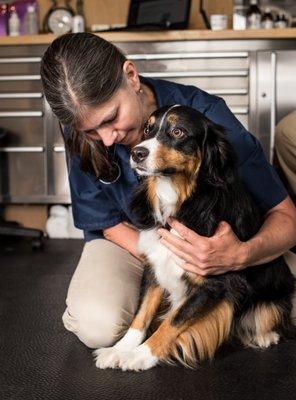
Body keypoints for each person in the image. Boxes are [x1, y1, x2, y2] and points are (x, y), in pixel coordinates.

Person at [40, 33, 296, 349]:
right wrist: (170, 264)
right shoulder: (80, 129)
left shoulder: (207, 118)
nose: (106, 139)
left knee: (284, 306)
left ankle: (195, 308)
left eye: (112, 118)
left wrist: (238, 256)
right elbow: (105, 222)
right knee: (96, 326)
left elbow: (285, 216)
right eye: (91, 131)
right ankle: (182, 306)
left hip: (222, 244)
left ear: (131, 77)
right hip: (133, 242)